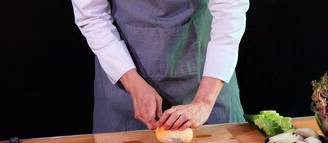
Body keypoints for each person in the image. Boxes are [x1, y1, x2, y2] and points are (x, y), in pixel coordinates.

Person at [71, 0, 249, 133]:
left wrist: (204, 101)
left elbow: (230, 13)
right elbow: (92, 15)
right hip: (123, 79)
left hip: (207, 75)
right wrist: (133, 84)